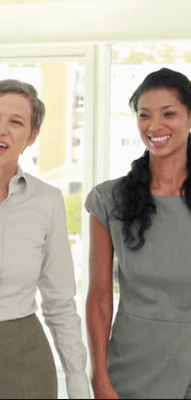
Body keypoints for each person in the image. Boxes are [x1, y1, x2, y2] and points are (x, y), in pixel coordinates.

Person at [0, 79, 90, 399]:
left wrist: (76, 373)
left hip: (27, 358)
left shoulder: (47, 200)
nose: (1, 129)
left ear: (33, 135)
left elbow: (59, 301)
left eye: (16, 122)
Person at [86, 67, 191, 399]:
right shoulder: (109, 200)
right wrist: (99, 378)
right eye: (144, 115)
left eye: (168, 114)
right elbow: (100, 295)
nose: (154, 126)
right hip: (132, 371)